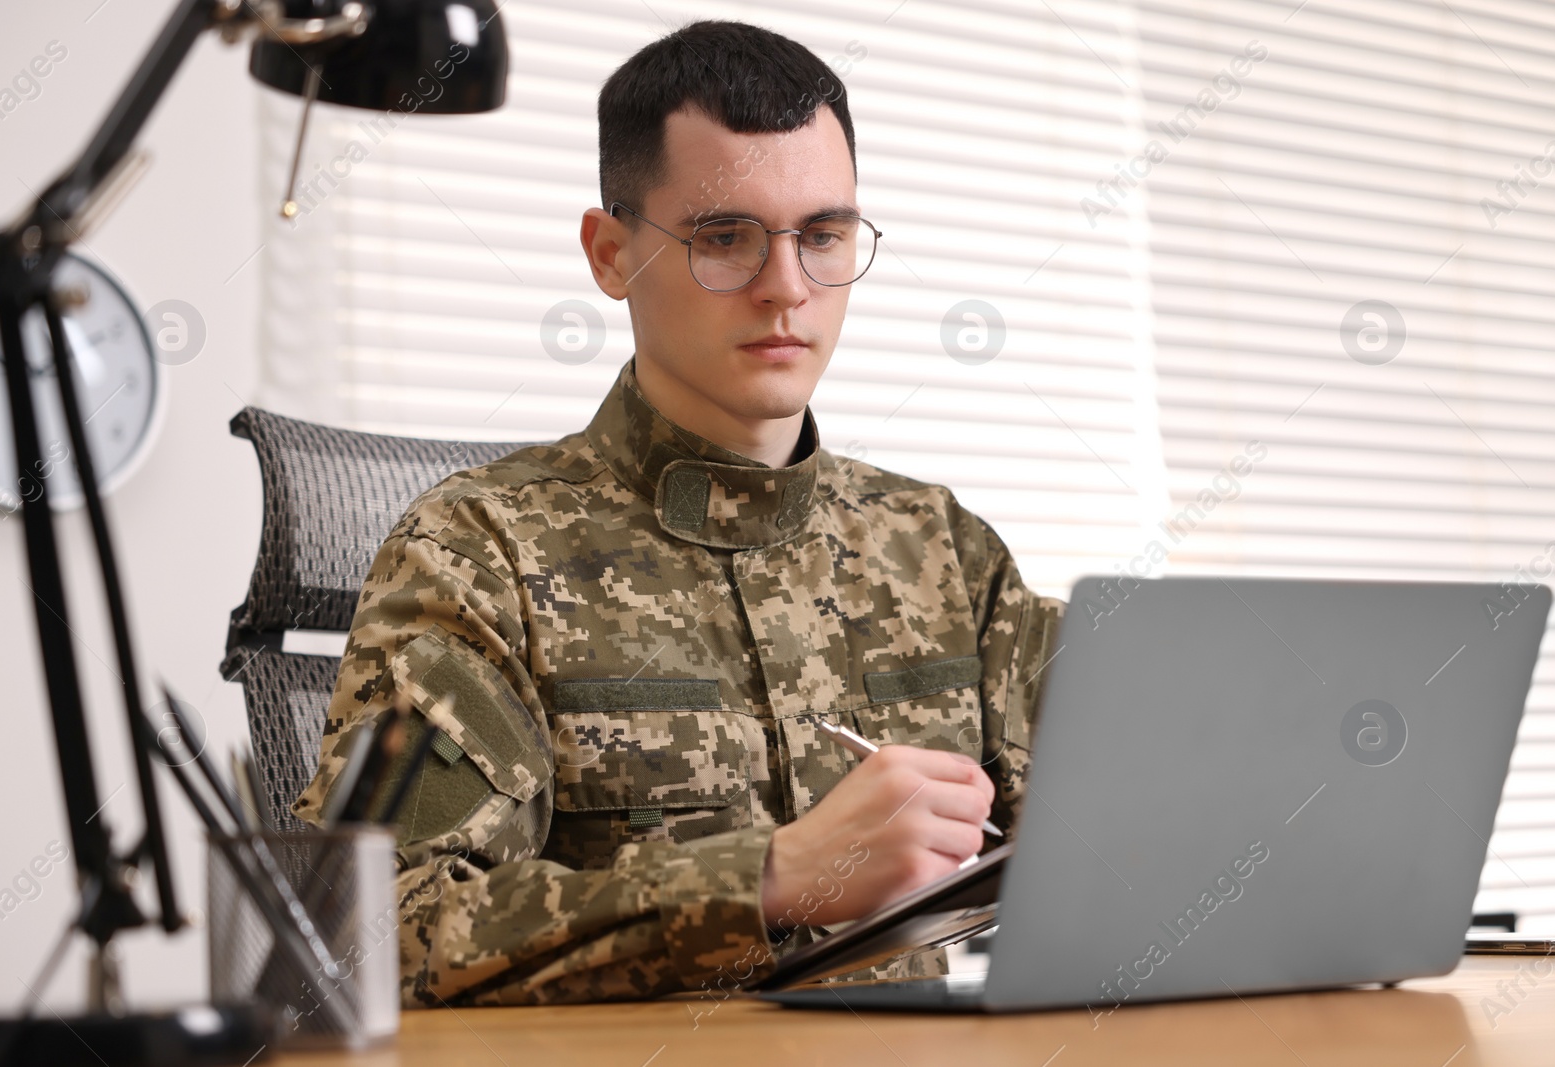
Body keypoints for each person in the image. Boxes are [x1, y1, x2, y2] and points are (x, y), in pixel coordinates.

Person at [292, 18, 1063, 1008]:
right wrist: (770, 874)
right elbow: (369, 925)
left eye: (822, 236)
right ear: (610, 255)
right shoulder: (479, 553)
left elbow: (1132, 850)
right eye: (724, 238)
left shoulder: (946, 552)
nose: (786, 288)